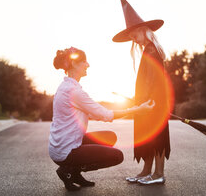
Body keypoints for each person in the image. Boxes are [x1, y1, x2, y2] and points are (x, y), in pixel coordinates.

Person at [49, 46, 155, 191]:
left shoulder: (65, 87)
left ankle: (74, 172)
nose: (88, 65)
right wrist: (137, 110)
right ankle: (68, 170)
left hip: (63, 146)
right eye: (84, 61)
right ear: (74, 64)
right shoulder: (73, 91)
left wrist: (106, 113)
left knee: (109, 137)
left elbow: (94, 114)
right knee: (117, 156)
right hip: (66, 152)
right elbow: (106, 114)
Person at [112, 0, 172, 185]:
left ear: (143, 30)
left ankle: (158, 174)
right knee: (148, 136)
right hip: (146, 102)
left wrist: (151, 100)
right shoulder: (148, 49)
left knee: (157, 137)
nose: (134, 40)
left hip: (154, 102)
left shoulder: (152, 50)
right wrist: (139, 98)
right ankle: (147, 171)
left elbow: (155, 79)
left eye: (134, 35)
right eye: (131, 38)